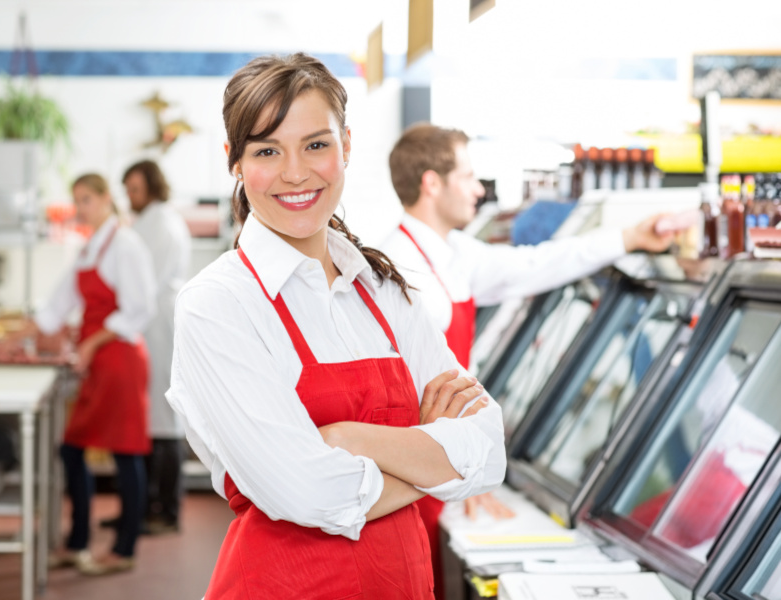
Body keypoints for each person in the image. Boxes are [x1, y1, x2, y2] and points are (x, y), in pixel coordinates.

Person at [166, 53, 507, 599]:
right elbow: (309, 492)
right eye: (267, 150)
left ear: (346, 145)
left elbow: (488, 452)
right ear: (235, 162)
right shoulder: (218, 304)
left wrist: (346, 439)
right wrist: (430, 457)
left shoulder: (382, 290)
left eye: (316, 145)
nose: (296, 172)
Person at [379, 123, 677, 599]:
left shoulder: (456, 254)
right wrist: (458, 470)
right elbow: (401, 396)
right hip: (418, 471)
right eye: (470, 175)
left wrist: (627, 237)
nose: (480, 189)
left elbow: (540, 264)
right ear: (432, 183)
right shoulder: (397, 266)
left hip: (444, 465)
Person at [0, 174, 156, 575]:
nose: (79, 209)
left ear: (104, 200)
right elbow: (55, 306)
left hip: (121, 360)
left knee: (125, 451)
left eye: (85, 200)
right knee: (73, 448)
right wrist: (12, 340)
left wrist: (89, 343)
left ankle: (124, 549)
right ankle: (78, 541)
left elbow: (140, 308)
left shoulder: (125, 244)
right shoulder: (89, 250)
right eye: (76, 201)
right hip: (101, 361)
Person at [122, 159, 192, 534]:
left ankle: (167, 512)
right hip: (148, 328)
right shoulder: (150, 221)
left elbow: (146, 281)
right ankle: (145, 505)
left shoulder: (162, 223)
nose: (129, 197)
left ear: (152, 186)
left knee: (165, 420)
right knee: (151, 419)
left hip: (159, 326)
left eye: (135, 189)